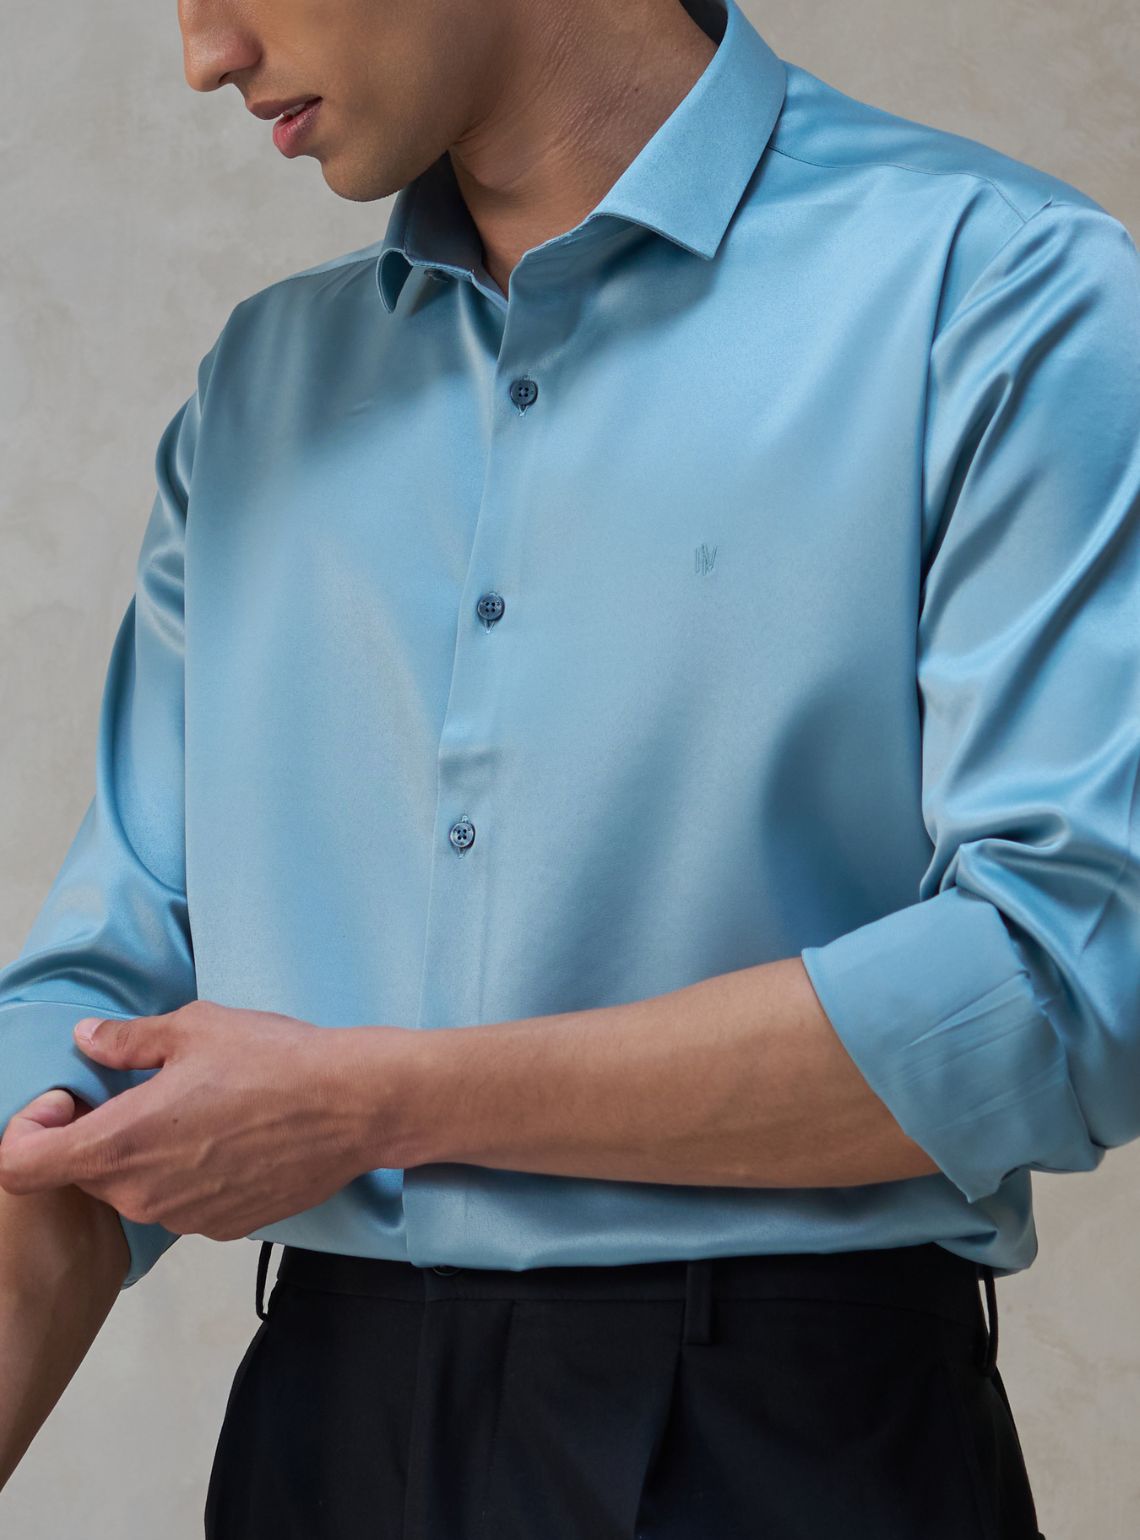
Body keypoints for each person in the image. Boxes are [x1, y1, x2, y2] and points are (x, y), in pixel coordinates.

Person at [1, 0, 1136, 1531]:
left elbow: (1070, 984)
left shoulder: (995, 290)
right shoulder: (259, 385)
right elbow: (95, 1018)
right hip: (316, 1438)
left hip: (783, 1451)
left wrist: (383, 1105)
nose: (207, 52)